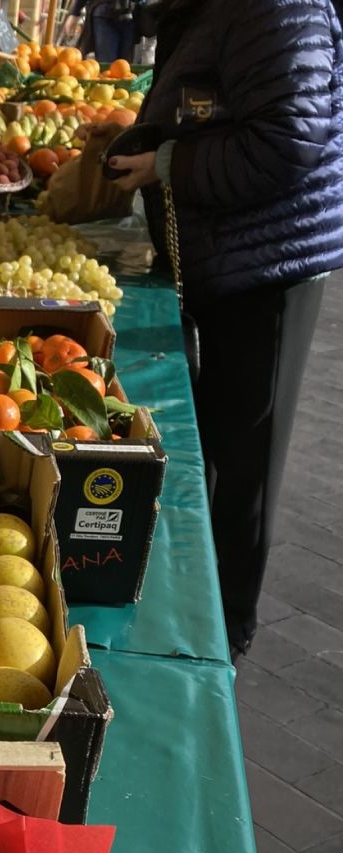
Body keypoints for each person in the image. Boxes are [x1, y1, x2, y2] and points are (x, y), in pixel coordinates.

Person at [109, 0, 343, 658]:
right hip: (233, 250)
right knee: (218, 443)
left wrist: (169, 165)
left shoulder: (276, 5)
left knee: (248, 460)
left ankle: (229, 631)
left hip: (272, 262)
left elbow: (288, 140)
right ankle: (201, 602)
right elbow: (213, 99)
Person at [62, 0, 137, 67]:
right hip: (104, 14)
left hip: (130, 16)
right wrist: (75, 12)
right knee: (107, 65)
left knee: (126, 67)